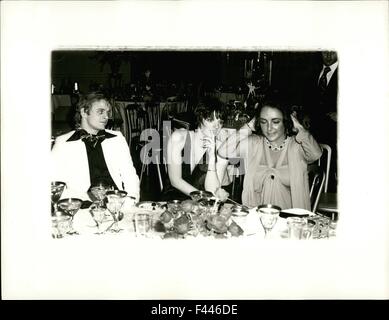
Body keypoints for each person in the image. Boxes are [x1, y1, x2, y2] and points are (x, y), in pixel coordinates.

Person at [218, 96, 322, 210]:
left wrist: (299, 127)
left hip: (290, 221)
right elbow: (223, 152)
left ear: (286, 121)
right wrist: (247, 127)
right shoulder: (254, 144)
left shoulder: (297, 145)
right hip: (256, 219)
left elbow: (316, 154)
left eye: (275, 122)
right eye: (263, 122)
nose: (269, 128)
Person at [52, 92, 140, 201]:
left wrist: (131, 199)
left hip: (116, 202)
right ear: (84, 112)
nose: (106, 117)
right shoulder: (63, 143)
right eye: (100, 112)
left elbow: (130, 175)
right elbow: (54, 183)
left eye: (107, 112)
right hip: (83, 205)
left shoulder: (117, 138)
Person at [162, 97, 230, 201]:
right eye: (210, 120)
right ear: (200, 118)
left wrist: (212, 158)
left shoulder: (221, 149)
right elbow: (175, 181)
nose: (216, 126)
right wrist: (201, 198)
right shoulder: (179, 137)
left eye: (220, 122)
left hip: (201, 207)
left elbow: (213, 192)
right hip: (173, 201)